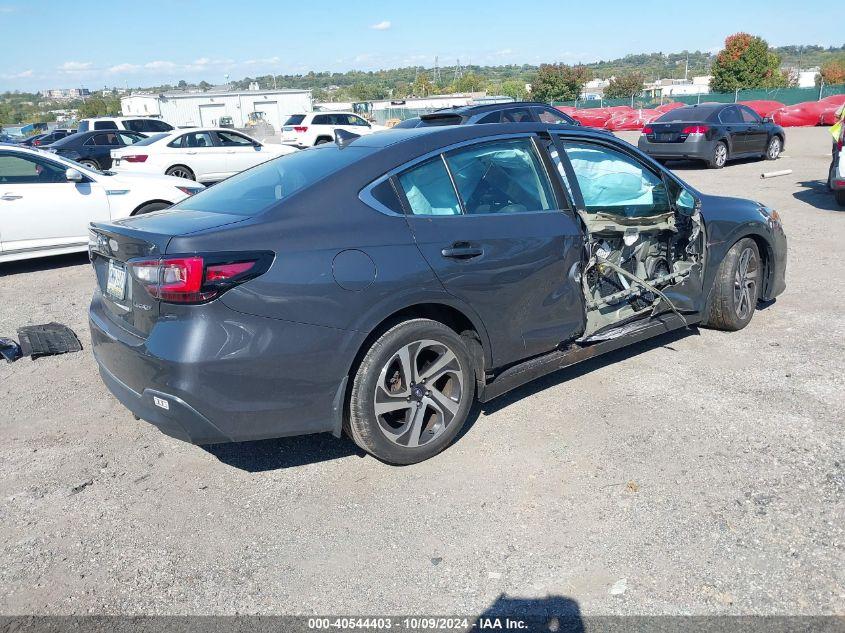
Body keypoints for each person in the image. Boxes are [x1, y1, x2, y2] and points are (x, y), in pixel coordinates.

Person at [829, 103, 845, 190]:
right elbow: (836, 115)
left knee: (836, 160)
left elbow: (836, 115)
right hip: (839, 134)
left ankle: (831, 183)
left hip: (839, 133)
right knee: (836, 161)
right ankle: (831, 184)